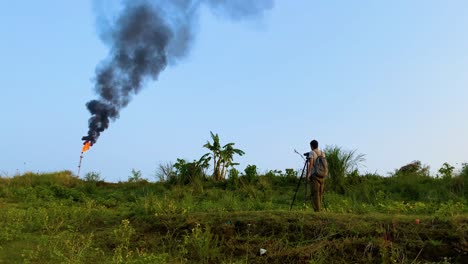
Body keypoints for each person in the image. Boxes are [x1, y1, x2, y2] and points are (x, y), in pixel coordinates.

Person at [306, 139, 326, 212]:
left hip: (315, 175)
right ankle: (319, 209)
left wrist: (308, 174)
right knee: (320, 193)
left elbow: (311, 164)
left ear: (311, 146)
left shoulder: (312, 152)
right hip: (322, 175)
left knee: (315, 193)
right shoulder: (322, 153)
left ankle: (317, 210)